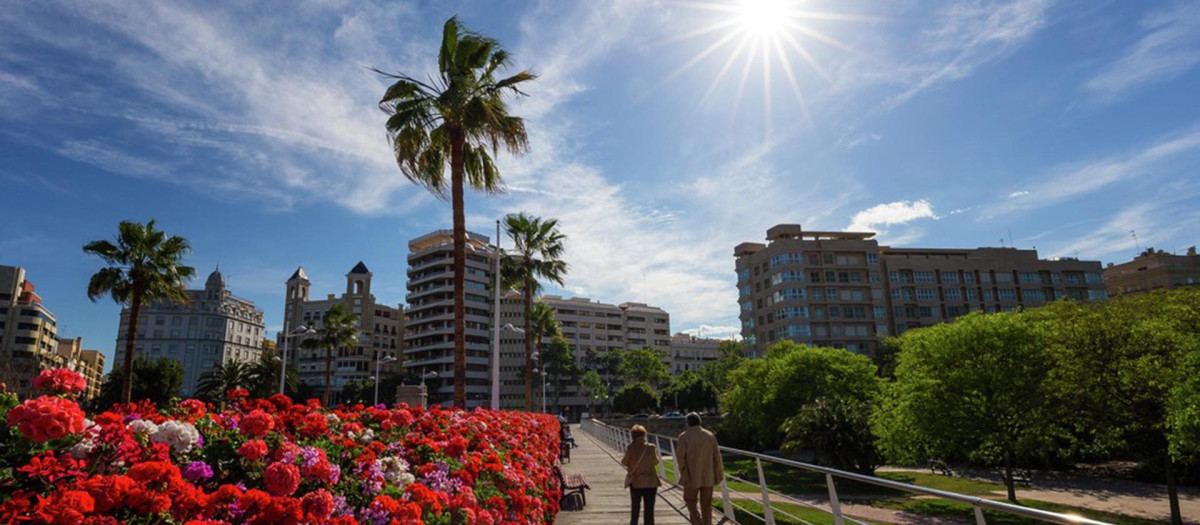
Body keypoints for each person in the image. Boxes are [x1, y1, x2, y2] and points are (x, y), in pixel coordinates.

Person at [676, 412, 724, 525]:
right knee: (706, 505)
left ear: (688, 423)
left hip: (691, 475)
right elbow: (717, 456)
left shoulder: (684, 436)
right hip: (708, 474)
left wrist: (683, 471)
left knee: (690, 500)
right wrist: (718, 473)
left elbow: (680, 457)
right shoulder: (710, 435)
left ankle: (698, 522)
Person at [621, 424, 661, 525]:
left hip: (636, 482)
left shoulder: (631, 448)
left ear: (633, 436)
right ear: (644, 435)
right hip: (651, 482)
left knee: (635, 507)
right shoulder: (651, 447)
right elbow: (656, 462)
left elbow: (624, 462)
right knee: (649, 509)